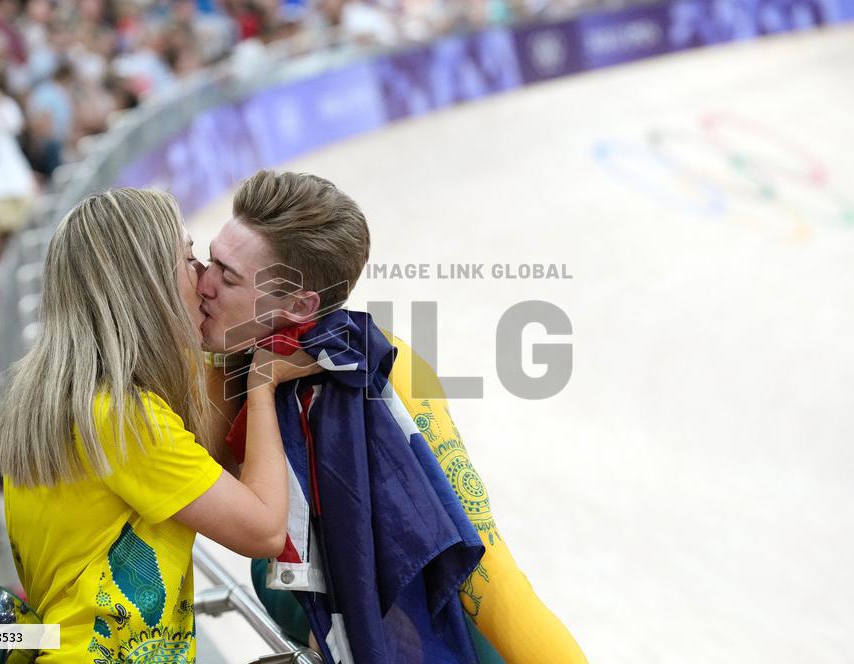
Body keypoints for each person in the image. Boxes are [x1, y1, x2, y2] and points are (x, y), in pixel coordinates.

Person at [197, 170, 587, 664]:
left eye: (227, 276)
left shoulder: (391, 379)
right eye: (209, 260)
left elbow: (493, 583)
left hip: (433, 627)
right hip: (323, 606)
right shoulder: (236, 347)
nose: (203, 284)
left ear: (299, 305)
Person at [0, 188, 320, 662]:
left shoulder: (61, 391)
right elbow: (264, 531)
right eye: (189, 258)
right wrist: (263, 385)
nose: (202, 278)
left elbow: (210, 455)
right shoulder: (124, 415)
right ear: (148, 283)